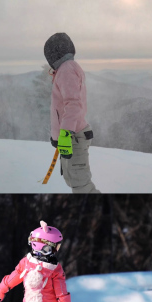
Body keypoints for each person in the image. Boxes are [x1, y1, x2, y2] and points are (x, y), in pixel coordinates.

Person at [45, 33, 100, 193]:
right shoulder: (65, 69)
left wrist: (65, 133)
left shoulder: (67, 69)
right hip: (71, 137)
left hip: (73, 137)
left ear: (54, 53)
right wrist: (58, 136)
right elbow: (61, 109)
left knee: (81, 185)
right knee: (74, 181)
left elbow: (73, 104)